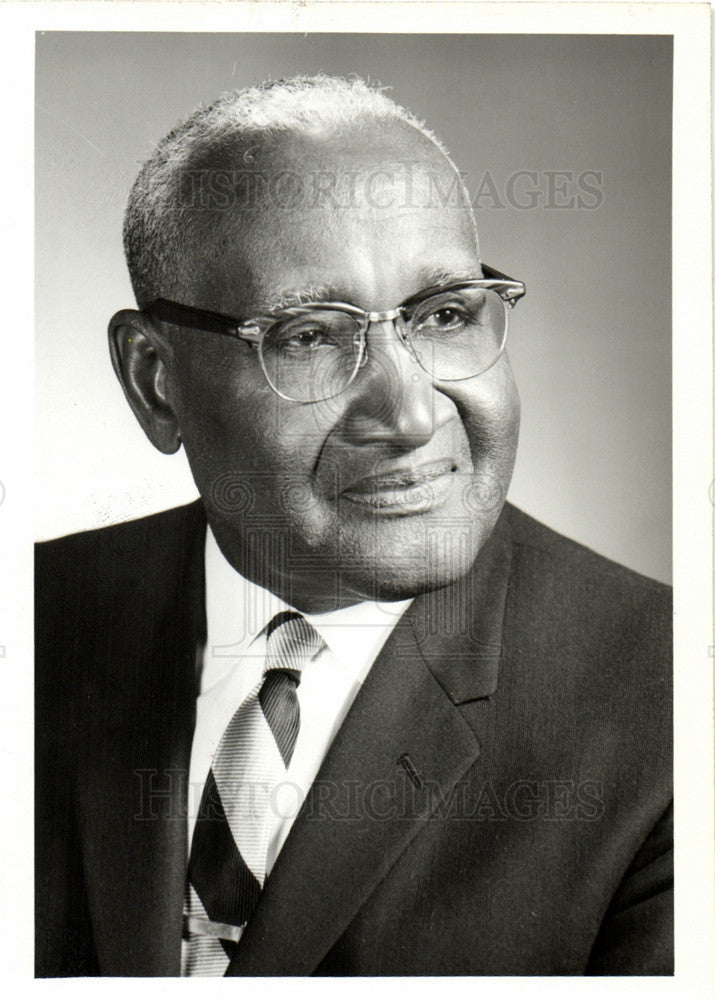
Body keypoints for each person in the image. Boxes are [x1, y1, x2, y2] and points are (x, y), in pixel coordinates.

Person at [35, 75, 672, 977]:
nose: (411, 415)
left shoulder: (674, 710)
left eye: (444, 314)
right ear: (154, 378)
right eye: (308, 336)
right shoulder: (31, 625)